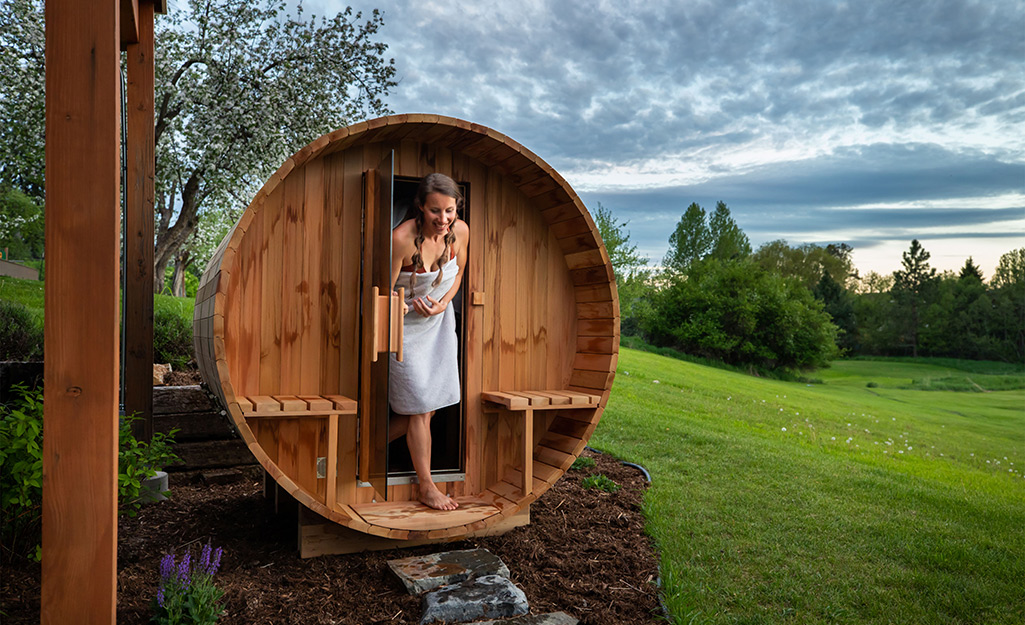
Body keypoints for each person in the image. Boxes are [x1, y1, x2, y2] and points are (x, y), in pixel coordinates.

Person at [388, 173, 469, 510]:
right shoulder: (402, 238)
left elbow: (460, 273)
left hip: (438, 325)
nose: (444, 219)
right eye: (436, 211)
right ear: (421, 207)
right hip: (403, 329)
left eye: (449, 211)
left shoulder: (460, 232)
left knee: (428, 406)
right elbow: (381, 294)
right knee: (420, 407)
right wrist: (407, 306)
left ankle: (363, 445)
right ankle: (427, 487)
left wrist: (443, 302)